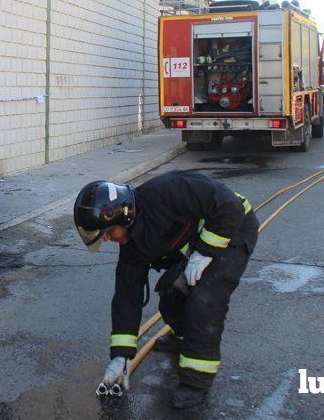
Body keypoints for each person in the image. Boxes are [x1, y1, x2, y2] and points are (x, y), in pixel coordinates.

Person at [73, 172, 258, 409]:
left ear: (124, 216)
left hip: (230, 226)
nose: (107, 239)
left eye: (108, 232)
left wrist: (205, 251)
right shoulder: (132, 247)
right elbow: (127, 297)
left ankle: (196, 381)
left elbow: (228, 205)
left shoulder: (166, 193)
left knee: (204, 297)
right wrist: (121, 355)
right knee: (171, 294)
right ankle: (184, 337)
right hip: (195, 246)